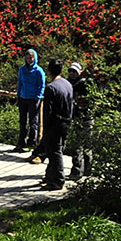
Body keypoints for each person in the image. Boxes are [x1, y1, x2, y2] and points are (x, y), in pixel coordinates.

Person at [39, 59, 74, 190]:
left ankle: (58, 180)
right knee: (57, 150)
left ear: (49, 70)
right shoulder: (67, 84)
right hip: (66, 121)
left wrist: (45, 128)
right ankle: (49, 176)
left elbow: (47, 111)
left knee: (54, 152)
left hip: (54, 124)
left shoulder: (51, 88)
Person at [16, 48, 46, 152]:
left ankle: (31, 143)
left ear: (35, 58)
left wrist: (38, 97)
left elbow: (42, 85)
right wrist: (18, 94)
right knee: (22, 121)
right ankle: (21, 143)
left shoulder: (39, 71)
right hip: (23, 97)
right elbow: (20, 82)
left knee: (33, 122)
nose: (29, 60)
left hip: (33, 99)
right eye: (28, 58)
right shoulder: (22, 70)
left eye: (31, 58)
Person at [67, 62, 93, 180]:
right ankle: (82, 170)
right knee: (81, 144)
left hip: (86, 117)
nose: (72, 73)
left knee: (82, 145)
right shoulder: (68, 83)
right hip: (77, 117)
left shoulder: (85, 84)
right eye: (70, 71)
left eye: (74, 71)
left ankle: (81, 171)